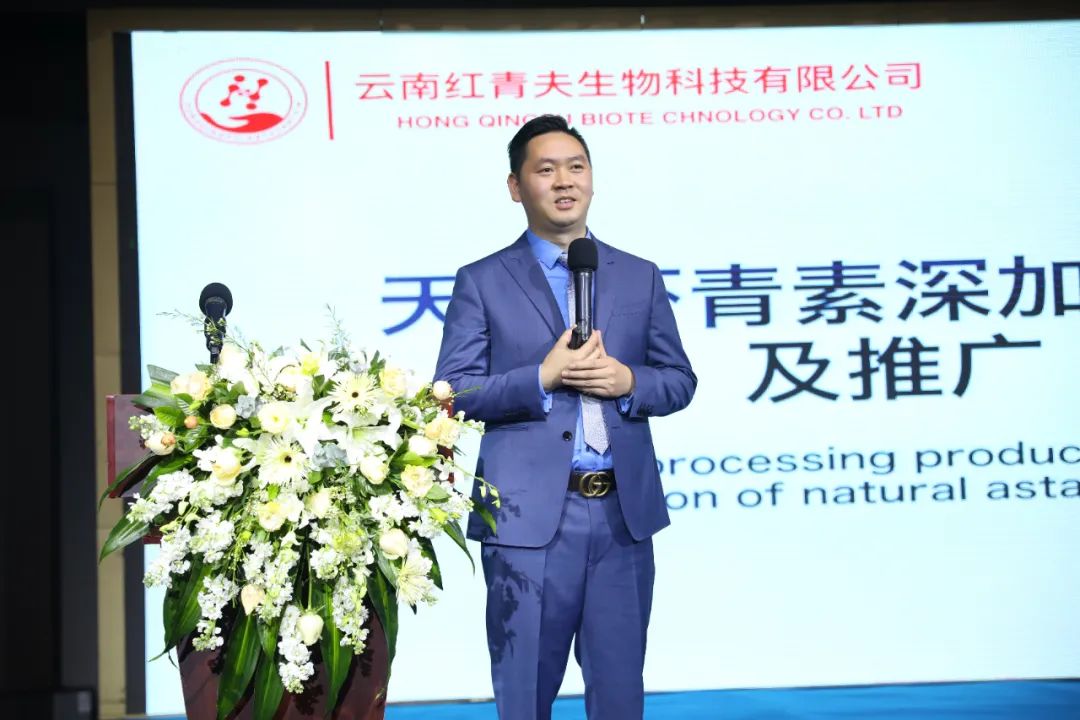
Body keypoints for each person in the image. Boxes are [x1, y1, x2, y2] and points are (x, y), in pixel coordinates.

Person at [434, 114, 696, 720]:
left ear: (592, 179)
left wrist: (630, 382)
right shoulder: (482, 281)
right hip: (526, 523)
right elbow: (454, 392)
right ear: (515, 186)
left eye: (576, 167)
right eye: (545, 169)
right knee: (525, 692)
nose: (564, 181)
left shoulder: (638, 274)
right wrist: (541, 378)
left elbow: (679, 380)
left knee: (620, 694)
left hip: (622, 519)